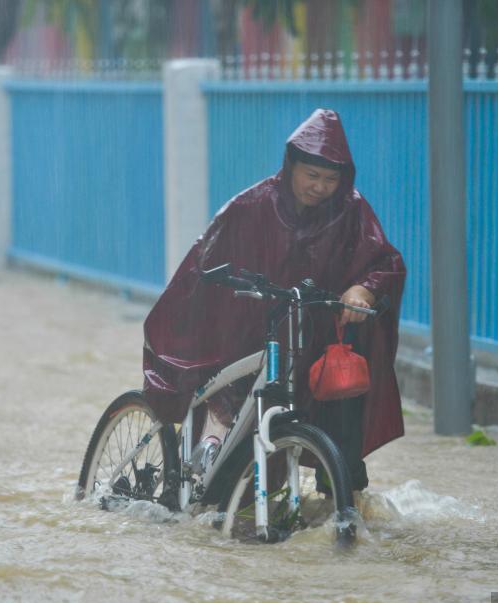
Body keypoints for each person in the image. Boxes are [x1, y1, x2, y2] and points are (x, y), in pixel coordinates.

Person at [143, 108, 406, 493]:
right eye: (312, 175)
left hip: (314, 333)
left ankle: (341, 497)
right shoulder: (251, 205)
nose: (320, 187)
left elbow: (386, 261)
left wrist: (364, 288)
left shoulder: (352, 210)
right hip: (245, 332)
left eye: (330, 179)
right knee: (232, 415)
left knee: (342, 397)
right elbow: (203, 265)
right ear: (291, 166)